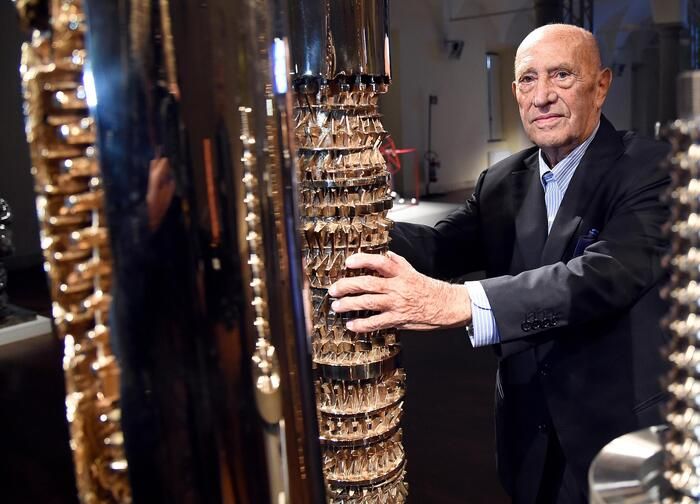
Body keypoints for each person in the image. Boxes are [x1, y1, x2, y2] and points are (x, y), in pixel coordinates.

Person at [328, 24, 670, 503]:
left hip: (613, 432)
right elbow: (439, 248)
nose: (542, 96)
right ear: (514, 93)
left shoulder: (649, 167)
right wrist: (345, 220)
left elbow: (606, 274)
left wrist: (461, 302)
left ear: (601, 86)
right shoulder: (502, 180)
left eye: (562, 75)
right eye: (528, 79)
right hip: (527, 436)